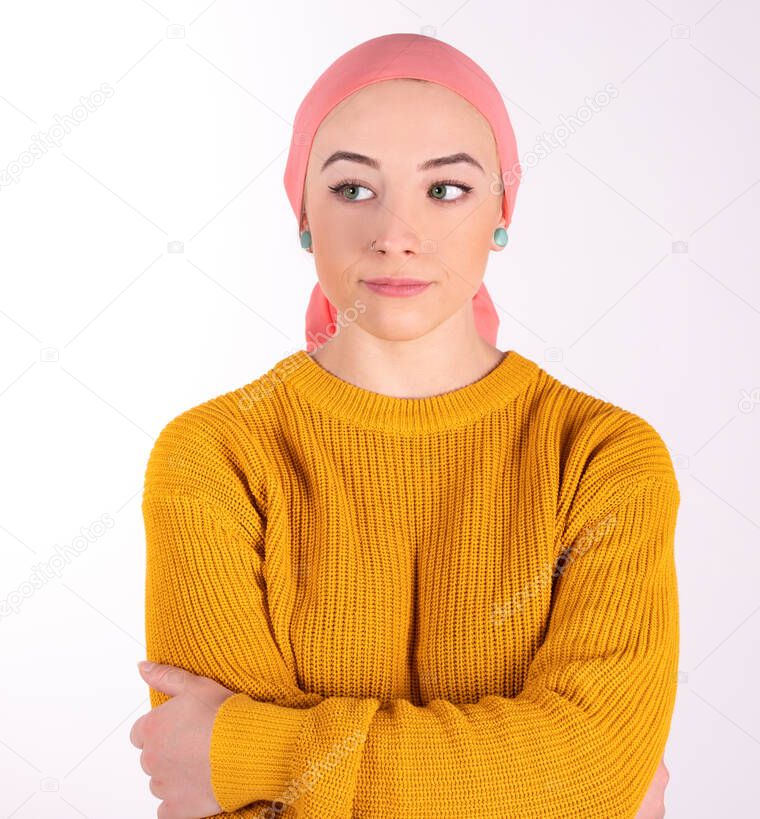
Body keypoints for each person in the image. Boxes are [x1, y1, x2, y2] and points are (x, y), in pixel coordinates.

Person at [130, 33, 677, 819]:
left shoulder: (602, 459)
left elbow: (592, 770)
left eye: (446, 190)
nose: (396, 233)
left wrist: (252, 750)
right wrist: (547, 783)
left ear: (502, 210)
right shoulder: (214, 456)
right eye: (354, 188)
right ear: (303, 213)